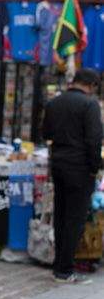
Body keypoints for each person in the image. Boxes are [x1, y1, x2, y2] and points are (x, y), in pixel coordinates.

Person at [43, 68, 103, 283]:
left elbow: (45, 133)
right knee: (75, 219)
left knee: (60, 216)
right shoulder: (89, 105)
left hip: (58, 164)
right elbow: (94, 140)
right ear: (91, 85)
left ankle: (58, 266)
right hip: (80, 167)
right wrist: (95, 167)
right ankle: (65, 270)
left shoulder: (54, 103)